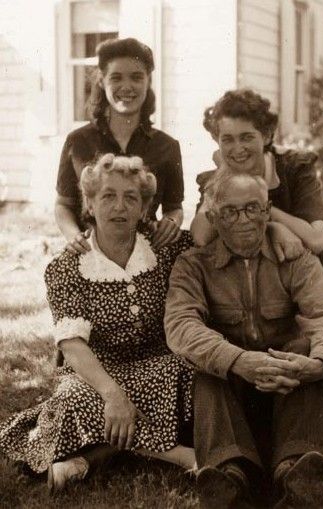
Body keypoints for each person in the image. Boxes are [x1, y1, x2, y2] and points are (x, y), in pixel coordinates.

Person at [0, 154, 195, 492]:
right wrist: (113, 396)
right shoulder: (68, 266)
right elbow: (72, 345)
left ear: (144, 207)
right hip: (95, 375)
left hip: (158, 365)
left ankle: (87, 461)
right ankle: (182, 456)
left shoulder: (164, 248)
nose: (119, 207)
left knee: (193, 371)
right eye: (108, 196)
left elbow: (214, 238)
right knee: (73, 396)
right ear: (88, 202)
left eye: (130, 198)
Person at [165, 172, 323, 509]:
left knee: (303, 351)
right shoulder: (192, 265)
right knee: (206, 371)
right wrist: (237, 361)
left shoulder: (296, 258)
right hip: (232, 388)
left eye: (253, 208)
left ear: (267, 211)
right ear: (215, 218)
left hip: (286, 385)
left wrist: (319, 364)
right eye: (231, 211)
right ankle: (230, 476)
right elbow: (181, 324)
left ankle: (295, 473)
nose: (244, 219)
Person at [190, 89, 323, 333]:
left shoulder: (295, 167)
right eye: (227, 139)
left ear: (267, 135)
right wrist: (223, 175)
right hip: (269, 296)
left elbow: (316, 240)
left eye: (247, 137)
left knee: (309, 351)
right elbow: (200, 236)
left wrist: (269, 216)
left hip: (321, 285)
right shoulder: (219, 178)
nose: (237, 148)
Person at [56, 37, 184, 253]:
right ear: (102, 80)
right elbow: (63, 204)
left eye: (136, 77)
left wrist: (171, 222)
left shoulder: (167, 146)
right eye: (116, 78)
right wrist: (73, 236)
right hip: (91, 256)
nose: (127, 87)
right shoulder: (77, 142)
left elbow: (174, 208)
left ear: (148, 81)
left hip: (146, 258)